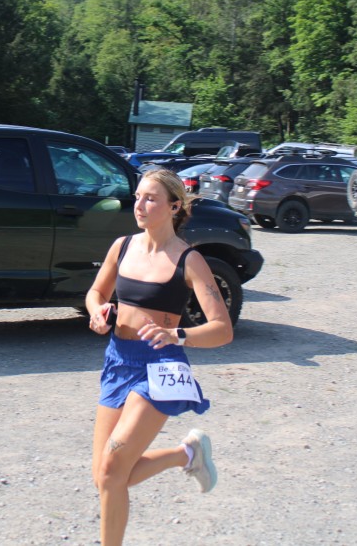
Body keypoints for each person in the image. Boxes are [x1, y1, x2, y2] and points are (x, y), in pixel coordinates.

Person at [85, 168, 233, 546]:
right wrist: (98, 312)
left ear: (174, 206)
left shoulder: (189, 260)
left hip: (160, 366)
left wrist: (176, 334)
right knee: (105, 477)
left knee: (113, 468)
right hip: (118, 359)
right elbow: (95, 293)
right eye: (138, 197)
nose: (140, 205)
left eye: (151, 198)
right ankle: (187, 454)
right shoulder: (122, 247)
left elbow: (222, 329)